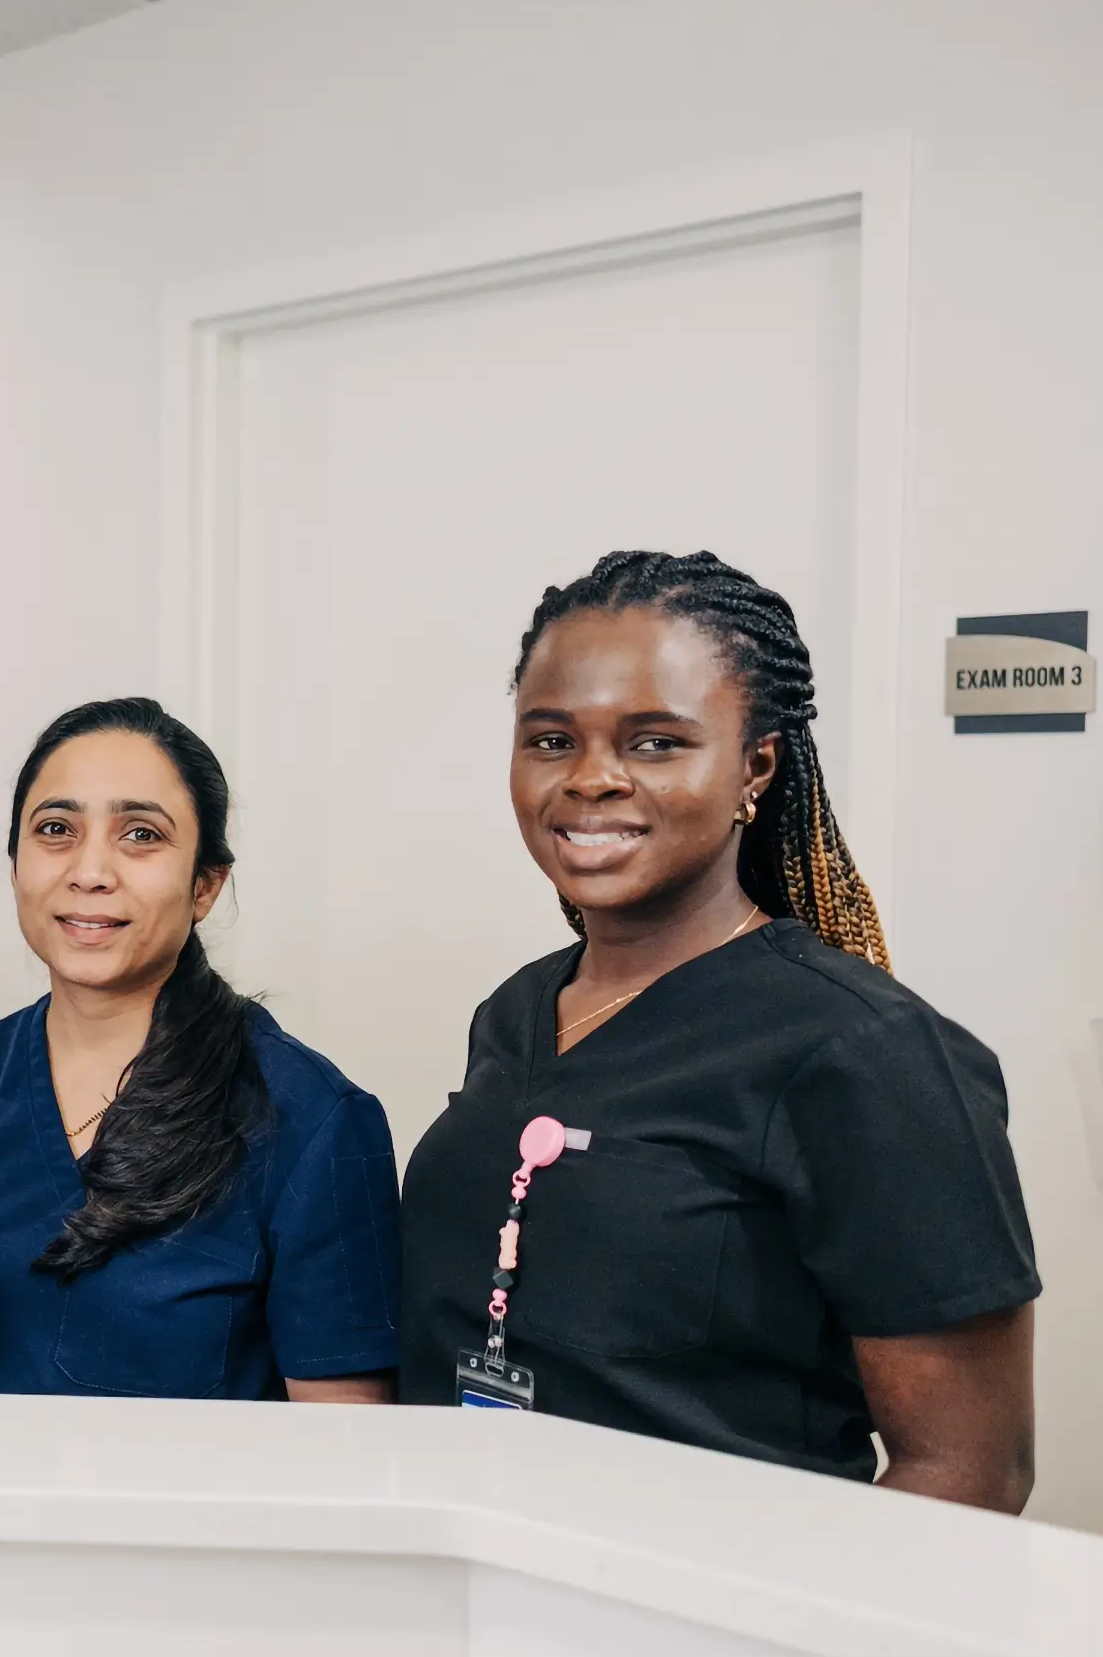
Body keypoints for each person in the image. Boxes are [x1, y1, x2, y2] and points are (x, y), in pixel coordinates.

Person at [401, 550, 1038, 1508]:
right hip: (475, 1573)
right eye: (552, 739)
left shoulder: (869, 1051)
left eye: (656, 742)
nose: (591, 779)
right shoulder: (518, 1010)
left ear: (755, 767)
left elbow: (970, 1471)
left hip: (710, 1593)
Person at [0, 699, 400, 1401]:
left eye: (141, 834)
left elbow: (346, 1440)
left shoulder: (312, 1119)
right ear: (15, 866)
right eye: (56, 830)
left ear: (205, 884)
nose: (90, 871)